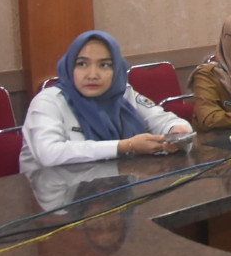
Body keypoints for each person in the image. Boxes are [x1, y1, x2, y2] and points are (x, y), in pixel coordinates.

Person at [20, 30, 192, 172]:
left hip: (115, 190)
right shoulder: (48, 101)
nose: (92, 75)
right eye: (82, 64)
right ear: (69, 66)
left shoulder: (122, 93)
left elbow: (162, 119)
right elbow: (49, 154)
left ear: (116, 69)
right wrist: (126, 146)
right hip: (54, 202)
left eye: (104, 65)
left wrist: (176, 132)